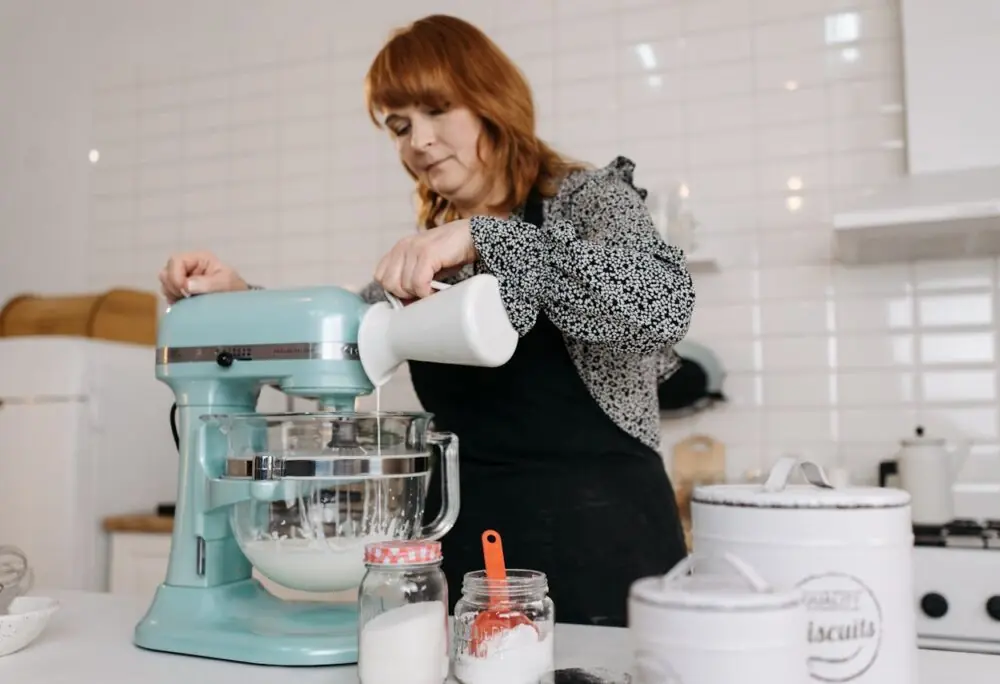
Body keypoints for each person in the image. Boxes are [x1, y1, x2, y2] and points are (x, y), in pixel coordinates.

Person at [159, 14, 695, 627]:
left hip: (608, 545)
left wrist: (487, 238)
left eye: (437, 110)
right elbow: (350, 337)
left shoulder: (588, 199)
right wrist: (240, 299)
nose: (418, 141)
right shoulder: (429, 258)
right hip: (468, 555)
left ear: (492, 101)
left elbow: (662, 302)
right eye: (400, 126)